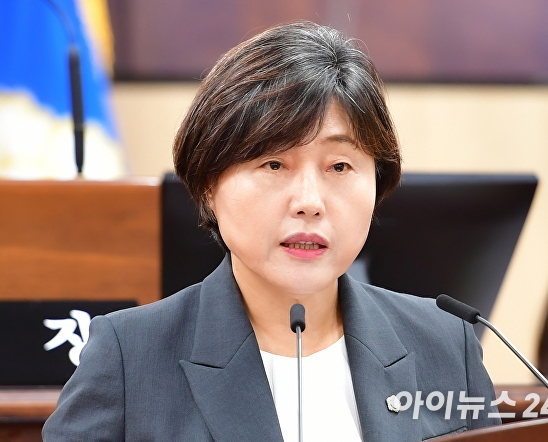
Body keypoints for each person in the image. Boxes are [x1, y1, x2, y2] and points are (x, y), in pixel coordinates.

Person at [43, 21, 500, 442]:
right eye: (274, 164)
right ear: (208, 185)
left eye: (340, 166)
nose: (309, 201)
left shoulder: (445, 342)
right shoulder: (130, 356)